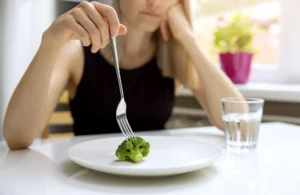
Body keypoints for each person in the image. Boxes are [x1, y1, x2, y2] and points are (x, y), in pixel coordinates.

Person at [3, 0, 243, 149]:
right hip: (87, 182)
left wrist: (187, 37)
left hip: (157, 180)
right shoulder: (76, 51)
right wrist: (50, 43)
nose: (155, 2)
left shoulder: (174, 55)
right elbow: (17, 137)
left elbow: (240, 123)